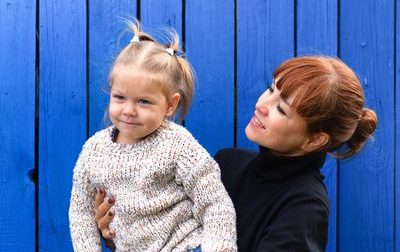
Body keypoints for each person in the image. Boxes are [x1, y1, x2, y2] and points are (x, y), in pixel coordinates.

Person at [94, 56, 378, 251]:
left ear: (315, 139)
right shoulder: (226, 162)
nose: (262, 105)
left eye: (281, 109)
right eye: (271, 89)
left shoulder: (304, 207)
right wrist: (119, 232)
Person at [68, 20, 237, 252]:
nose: (129, 110)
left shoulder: (177, 145)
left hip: (184, 246)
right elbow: (81, 211)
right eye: (119, 97)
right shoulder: (94, 150)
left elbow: (214, 202)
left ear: (170, 105)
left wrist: (219, 247)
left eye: (143, 101)